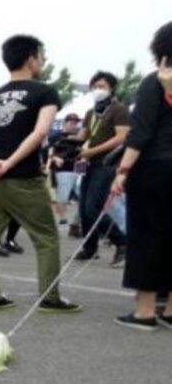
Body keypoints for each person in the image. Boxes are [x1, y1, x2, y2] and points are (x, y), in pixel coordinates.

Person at [0, 34, 81, 313]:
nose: (42, 61)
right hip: (23, 178)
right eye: (41, 56)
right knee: (45, 238)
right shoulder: (44, 92)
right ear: (31, 58)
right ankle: (50, 297)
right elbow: (41, 132)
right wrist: (8, 163)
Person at [111, 21, 172, 331]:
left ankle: (145, 310)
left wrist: (122, 171)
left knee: (147, 236)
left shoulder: (154, 84)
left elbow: (140, 134)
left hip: (154, 169)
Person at [72, 72, 129, 266]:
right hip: (89, 163)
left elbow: (121, 137)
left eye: (102, 86)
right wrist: (66, 142)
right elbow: (83, 135)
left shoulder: (119, 109)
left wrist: (93, 150)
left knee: (93, 207)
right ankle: (90, 247)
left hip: (107, 163)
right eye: (95, 85)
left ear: (112, 88)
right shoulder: (91, 112)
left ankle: (122, 242)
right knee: (83, 208)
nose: (98, 89)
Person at [46, 113, 82, 226]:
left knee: (82, 193)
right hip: (63, 167)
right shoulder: (56, 136)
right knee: (63, 194)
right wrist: (55, 158)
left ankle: (78, 219)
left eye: (76, 123)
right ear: (65, 123)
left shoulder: (79, 136)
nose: (74, 125)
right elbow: (50, 151)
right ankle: (62, 217)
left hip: (79, 166)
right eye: (71, 122)